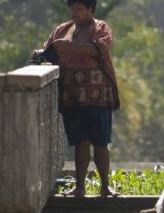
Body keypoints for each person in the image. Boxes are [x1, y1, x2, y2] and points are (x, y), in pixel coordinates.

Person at [42, 0, 120, 197]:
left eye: (79, 8)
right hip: (72, 96)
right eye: (72, 8)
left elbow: (99, 49)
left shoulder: (100, 27)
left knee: (101, 142)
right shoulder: (62, 30)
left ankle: (105, 187)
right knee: (80, 141)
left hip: (98, 95)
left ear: (90, 10)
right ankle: (80, 187)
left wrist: (68, 47)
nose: (74, 12)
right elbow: (47, 52)